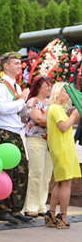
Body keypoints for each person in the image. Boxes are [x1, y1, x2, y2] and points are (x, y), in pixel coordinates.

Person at [0, 51, 31, 224]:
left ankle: (15, 209)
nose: (19, 66)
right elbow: (2, 109)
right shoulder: (0, 86)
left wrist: (27, 106)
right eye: (15, 63)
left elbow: (18, 111)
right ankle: (3, 209)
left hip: (15, 131)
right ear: (5, 66)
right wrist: (22, 101)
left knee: (21, 172)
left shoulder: (16, 86)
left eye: (19, 63)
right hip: (5, 132)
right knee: (7, 172)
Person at [46, 82, 81, 229]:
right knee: (66, 183)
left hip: (61, 148)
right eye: (65, 93)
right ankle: (63, 215)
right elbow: (64, 127)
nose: (68, 96)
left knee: (60, 182)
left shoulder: (53, 109)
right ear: (57, 94)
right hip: (63, 149)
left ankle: (52, 213)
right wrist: (73, 116)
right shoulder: (55, 109)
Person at [22, 76, 54, 218]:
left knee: (46, 175)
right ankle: (31, 206)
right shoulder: (32, 101)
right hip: (36, 139)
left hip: (50, 141)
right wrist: (54, 121)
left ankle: (42, 205)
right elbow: (38, 119)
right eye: (47, 86)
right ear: (39, 87)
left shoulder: (51, 103)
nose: (49, 88)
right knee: (36, 173)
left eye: (50, 85)